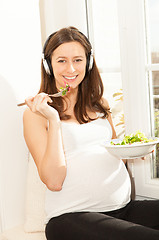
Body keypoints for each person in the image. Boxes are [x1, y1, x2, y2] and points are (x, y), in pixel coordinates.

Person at [23, 26, 159, 240]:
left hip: (122, 209)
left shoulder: (99, 105)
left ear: (89, 62)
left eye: (78, 60)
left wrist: (133, 151)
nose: (71, 69)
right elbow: (53, 181)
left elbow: (114, 155)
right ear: (48, 65)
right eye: (61, 61)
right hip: (71, 219)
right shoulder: (36, 115)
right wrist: (54, 120)